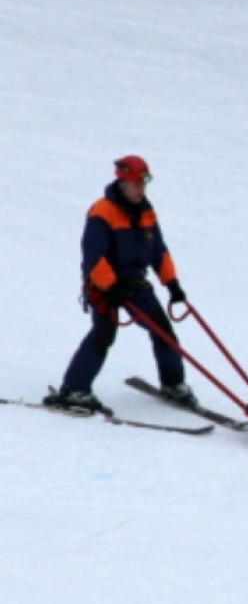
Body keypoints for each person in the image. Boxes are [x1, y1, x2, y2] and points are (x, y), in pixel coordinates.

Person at [44, 155, 197, 412]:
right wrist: (111, 287)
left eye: (143, 185)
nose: (140, 191)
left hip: (135, 283)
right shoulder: (102, 212)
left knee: (163, 331)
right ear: (122, 183)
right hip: (103, 286)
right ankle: (74, 388)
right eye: (136, 185)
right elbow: (94, 257)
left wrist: (172, 284)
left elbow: (158, 251)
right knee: (104, 334)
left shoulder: (147, 212)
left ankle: (173, 384)